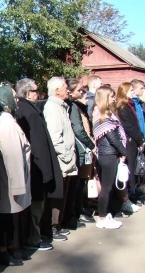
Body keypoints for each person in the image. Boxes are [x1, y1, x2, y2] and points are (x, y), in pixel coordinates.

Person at [0, 86, 31, 266]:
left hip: (6, 178)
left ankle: (10, 249)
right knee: (5, 218)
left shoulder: (0, 118)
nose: (17, 100)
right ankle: (3, 252)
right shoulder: (6, 121)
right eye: (13, 97)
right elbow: (13, 156)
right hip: (10, 180)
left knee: (6, 218)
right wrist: (19, 185)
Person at [15, 78, 62, 251]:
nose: (38, 94)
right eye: (35, 91)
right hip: (36, 168)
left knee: (34, 205)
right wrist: (46, 172)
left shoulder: (22, 109)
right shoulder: (30, 112)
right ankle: (33, 239)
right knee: (36, 205)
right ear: (27, 93)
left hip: (30, 166)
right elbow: (38, 144)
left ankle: (33, 237)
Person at [43, 77, 78, 241]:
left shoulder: (62, 107)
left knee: (63, 194)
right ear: (56, 90)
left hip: (67, 158)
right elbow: (55, 137)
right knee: (57, 195)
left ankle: (58, 225)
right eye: (65, 86)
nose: (68, 89)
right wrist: (67, 156)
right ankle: (52, 228)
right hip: (62, 160)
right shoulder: (52, 108)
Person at [63, 78, 95, 229]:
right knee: (75, 186)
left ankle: (75, 213)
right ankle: (72, 215)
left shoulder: (74, 106)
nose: (83, 92)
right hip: (76, 149)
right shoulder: (73, 107)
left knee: (78, 184)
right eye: (79, 90)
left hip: (77, 149)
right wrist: (91, 145)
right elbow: (79, 130)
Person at [92, 86, 125, 229]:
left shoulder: (108, 114)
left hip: (110, 154)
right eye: (111, 96)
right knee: (106, 188)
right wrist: (123, 151)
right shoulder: (101, 115)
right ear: (105, 97)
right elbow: (112, 138)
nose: (114, 98)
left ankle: (106, 214)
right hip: (107, 154)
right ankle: (102, 218)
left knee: (109, 188)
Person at [116, 82, 143, 213]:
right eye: (131, 90)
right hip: (129, 141)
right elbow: (130, 126)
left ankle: (130, 196)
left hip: (134, 141)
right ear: (125, 91)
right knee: (129, 170)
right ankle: (127, 199)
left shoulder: (129, 105)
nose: (133, 92)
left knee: (133, 169)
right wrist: (140, 140)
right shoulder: (122, 107)